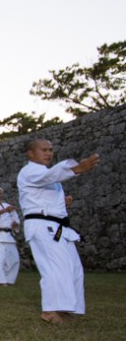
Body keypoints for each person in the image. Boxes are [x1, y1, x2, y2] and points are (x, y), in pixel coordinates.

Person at [17, 139, 100, 324]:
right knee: (55, 267)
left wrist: (61, 202)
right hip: (42, 226)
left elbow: (41, 196)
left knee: (73, 267)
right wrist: (76, 168)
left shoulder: (47, 174)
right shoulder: (30, 171)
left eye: (51, 150)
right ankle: (50, 310)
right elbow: (49, 178)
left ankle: (65, 308)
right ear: (31, 153)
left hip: (57, 226)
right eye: (44, 150)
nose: (49, 153)